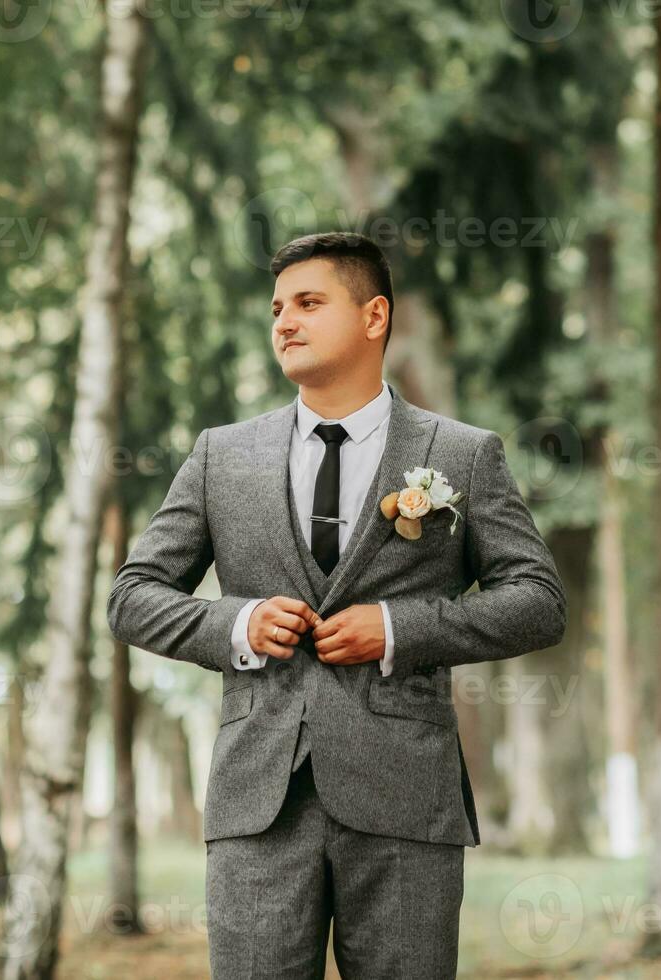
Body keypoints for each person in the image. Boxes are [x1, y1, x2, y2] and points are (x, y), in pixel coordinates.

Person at [107, 230, 567, 979]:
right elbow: (132, 598)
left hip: (407, 804)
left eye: (309, 303)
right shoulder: (222, 455)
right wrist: (238, 622)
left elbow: (538, 602)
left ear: (374, 316)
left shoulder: (461, 454)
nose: (284, 321)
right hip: (259, 802)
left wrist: (397, 627)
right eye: (277, 308)